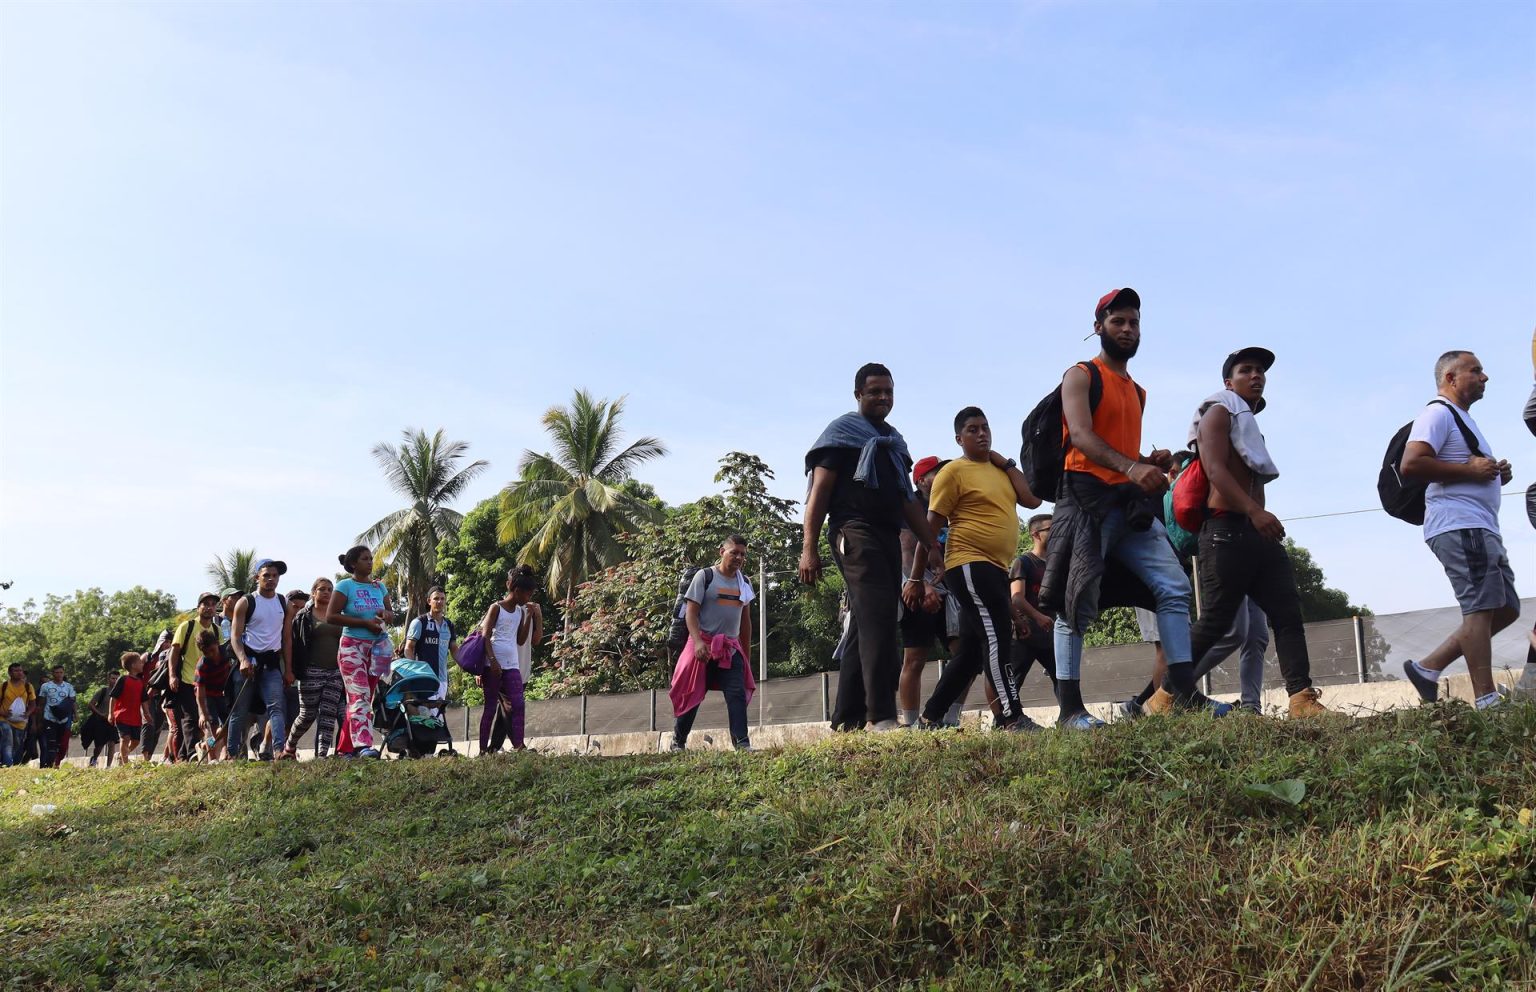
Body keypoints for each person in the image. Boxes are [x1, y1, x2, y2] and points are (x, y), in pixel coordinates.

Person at [1040, 288, 1207, 730]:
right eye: (1118, 322)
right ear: (1099, 328)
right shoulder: (1079, 375)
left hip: (1128, 507)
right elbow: (1080, 436)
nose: (1128, 329)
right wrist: (1132, 467)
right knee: (1073, 602)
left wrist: (1145, 463)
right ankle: (1070, 711)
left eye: (1134, 322)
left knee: (1173, 587)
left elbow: (1117, 448)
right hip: (1085, 501)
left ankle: (1185, 693)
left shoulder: (1138, 391)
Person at [1154, 348, 1327, 718]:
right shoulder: (1217, 413)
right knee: (1216, 621)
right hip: (1224, 530)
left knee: (1286, 613)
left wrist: (1256, 516)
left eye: (1261, 371)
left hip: (1256, 531)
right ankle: (1162, 699)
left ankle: (1301, 699)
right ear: (1229, 382)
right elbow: (1216, 471)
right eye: (1246, 370)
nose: (1257, 375)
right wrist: (1255, 511)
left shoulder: (1248, 425)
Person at [802, 362, 938, 732]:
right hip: (852, 530)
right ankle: (880, 715)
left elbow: (907, 501)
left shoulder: (894, 443)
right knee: (879, 616)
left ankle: (846, 719)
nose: (883, 398)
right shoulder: (841, 434)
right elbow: (819, 493)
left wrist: (931, 544)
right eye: (875, 391)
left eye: (888, 392)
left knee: (866, 622)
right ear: (858, 395)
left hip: (886, 535)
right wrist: (808, 547)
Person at [907, 408, 1043, 730]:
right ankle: (1012, 717)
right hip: (968, 563)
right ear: (959, 438)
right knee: (996, 639)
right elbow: (929, 529)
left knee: (968, 654)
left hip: (995, 568)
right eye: (972, 430)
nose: (981, 434)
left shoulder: (1001, 471)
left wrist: (1006, 462)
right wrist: (915, 577)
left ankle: (928, 719)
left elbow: (1032, 500)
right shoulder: (953, 472)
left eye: (985, 427)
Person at [1400, 350, 1518, 709]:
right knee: (1480, 610)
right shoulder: (1437, 413)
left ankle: (1428, 667)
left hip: (1480, 526)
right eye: (1476, 371)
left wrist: (1492, 474)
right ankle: (1486, 698)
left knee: (1507, 607)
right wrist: (1471, 472)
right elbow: (1412, 463)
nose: (1485, 377)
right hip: (1460, 525)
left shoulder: (1462, 420)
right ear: (1450, 378)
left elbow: (1467, 465)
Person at [668, 536, 757, 751]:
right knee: (692, 694)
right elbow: (691, 613)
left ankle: (742, 743)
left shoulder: (744, 582)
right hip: (702, 645)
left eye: (742, 554)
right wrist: (698, 642)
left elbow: (746, 623)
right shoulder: (705, 576)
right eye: (734, 552)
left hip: (729, 649)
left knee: (736, 694)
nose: (738, 557)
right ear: (721, 552)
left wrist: (745, 655)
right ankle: (678, 741)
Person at [897, 456, 950, 727]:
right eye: (936, 473)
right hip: (918, 585)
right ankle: (910, 723)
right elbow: (906, 549)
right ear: (920, 480)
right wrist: (921, 583)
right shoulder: (913, 506)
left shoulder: (949, 504)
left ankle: (950, 719)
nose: (942, 476)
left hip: (951, 588)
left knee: (964, 652)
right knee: (915, 656)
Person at [326, 546, 392, 759]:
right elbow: (331, 616)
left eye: (371, 558)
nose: (370, 562)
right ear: (353, 564)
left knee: (362, 699)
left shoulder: (379, 587)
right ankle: (364, 746)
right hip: (352, 647)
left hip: (378, 648)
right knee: (359, 696)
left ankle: (345, 749)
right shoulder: (345, 585)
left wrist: (385, 614)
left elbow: (390, 613)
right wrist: (363, 622)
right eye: (365, 559)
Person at [229, 560, 296, 760]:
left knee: (277, 708)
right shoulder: (246, 602)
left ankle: (278, 751)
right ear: (257, 577)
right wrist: (242, 659)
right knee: (239, 711)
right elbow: (235, 636)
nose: (271, 579)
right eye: (266, 575)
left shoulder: (285, 604)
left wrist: (289, 670)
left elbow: (286, 640)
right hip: (249, 662)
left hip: (271, 664)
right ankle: (233, 755)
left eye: (275, 576)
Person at [479, 567, 540, 753]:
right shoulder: (496, 608)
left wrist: (529, 616)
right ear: (517, 591)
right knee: (490, 708)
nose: (528, 598)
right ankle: (483, 750)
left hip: (512, 664)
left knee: (518, 704)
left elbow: (521, 640)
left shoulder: (521, 612)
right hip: (493, 665)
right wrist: (492, 661)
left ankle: (519, 746)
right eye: (527, 594)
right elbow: (485, 636)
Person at [284, 578, 344, 759]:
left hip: (335, 672)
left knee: (328, 716)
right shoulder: (303, 616)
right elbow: (292, 643)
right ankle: (290, 747)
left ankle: (321, 757)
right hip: (311, 671)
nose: (326, 592)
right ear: (314, 593)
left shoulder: (339, 615)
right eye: (322, 589)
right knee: (307, 715)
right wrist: (291, 669)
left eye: (330, 589)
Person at [1008, 513, 1060, 702]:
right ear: (1036, 534)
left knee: (1063, 679)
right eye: (1051, 529)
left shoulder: (1056, 564)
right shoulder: (1023, 562)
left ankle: (1068, 716)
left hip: (1051, 636)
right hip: (1025, 633)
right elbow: (1016, 598)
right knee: (1013, 682)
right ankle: (1007, 721)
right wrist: (1038, 617)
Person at [166, 593, 222, 762]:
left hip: (208, 684)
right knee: (191, 718)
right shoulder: (187, 626)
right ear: (198, 607)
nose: (209, 607)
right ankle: (191, 753)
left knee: (208, 721)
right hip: (187, 680)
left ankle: (187, 755)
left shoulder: (217, 630)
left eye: (212, 604)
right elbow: (174, 652)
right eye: (205, 604)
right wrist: (172, 675)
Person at [403, 586, 460, 720]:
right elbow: (409, 648)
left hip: (442, 680)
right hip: (425, 680)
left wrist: (468, 665)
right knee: (426, 717)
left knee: (437, 720)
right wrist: (413, 671)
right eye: (436, 599)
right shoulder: (419, 622)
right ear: (429, 601)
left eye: (442, 599)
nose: (439, 602)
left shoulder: (449, 625)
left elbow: (455, 650)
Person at [194, 631, 233, 760]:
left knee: (227, 725)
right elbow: (200, 693)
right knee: (212, 728)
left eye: (212, 650)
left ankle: (222, 751)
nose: (211, 655)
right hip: (207, 697)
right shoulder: (202, 665)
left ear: (217, 643)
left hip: (222, 694)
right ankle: (212, 757)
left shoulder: (227, 652)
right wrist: (203, 713)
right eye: (206, 652)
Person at [37, 665, 77, 768]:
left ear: (63, 673)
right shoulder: (46, 686)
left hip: (64, 719)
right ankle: (50, 764)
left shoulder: (69, 687)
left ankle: (57, 761)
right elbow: (41, 704)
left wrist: (76, 714)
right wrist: (39, 721)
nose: (59, 675)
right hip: (49, 718)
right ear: (52, 674)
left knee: (62, 745)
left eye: (61, 672)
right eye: (56, 672)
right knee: (51, 742)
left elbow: (72, 702)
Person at [110, 652, 146, 765]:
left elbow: (144, 700)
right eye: (140, 662)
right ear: (133, 665)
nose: (142, 664)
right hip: (122, 715)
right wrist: (111, 714)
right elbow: (113, 697)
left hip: (135, 717)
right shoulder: (123, 679)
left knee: (135, 741)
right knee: (125, 738)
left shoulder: (140, 682)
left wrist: (147, 714)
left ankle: (122, 755)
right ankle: (125, 764)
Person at [1, 663, 37, 767]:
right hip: (4, 719)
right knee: (8, 741)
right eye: (16, 671)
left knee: (17, 744)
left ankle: (15, 765)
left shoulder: (28, 686)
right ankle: (7, 765)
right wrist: (3, 713)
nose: (19, 673)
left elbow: (33, 703)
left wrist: (28, 712)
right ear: (10, 673)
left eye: (20, 670)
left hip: (21, 721)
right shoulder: (4, 686)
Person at [81, 683, 117, 767]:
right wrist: (100, 714)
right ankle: (94, 758)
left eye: (116, 679)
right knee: (100, 744)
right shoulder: (103, 691)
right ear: (109, 679)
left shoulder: (121, 692)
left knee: (112, 743)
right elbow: (90, 705)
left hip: (112, 721)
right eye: (113, 678)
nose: (114, 681)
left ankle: (108, 766)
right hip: (101, 721)